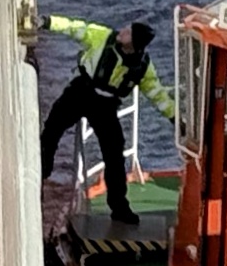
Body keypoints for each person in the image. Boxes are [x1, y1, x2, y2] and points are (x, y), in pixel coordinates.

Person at [43, 19, 159, 232]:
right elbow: (75, 27)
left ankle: (120, 208)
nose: (122, 30)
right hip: (81, 92)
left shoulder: (142, 65)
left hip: (106, 106)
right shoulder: (103, 37)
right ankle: (44, 170)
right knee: (52, 127)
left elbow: (156, 93)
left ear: (133, 44)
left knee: (115, 153)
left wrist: (173, 117)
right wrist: (47, 22)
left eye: (128, 32)